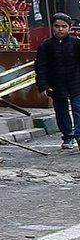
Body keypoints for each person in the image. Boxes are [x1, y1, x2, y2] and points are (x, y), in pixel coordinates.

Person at [35, 12, 80, 150]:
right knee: (61, 112)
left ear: (70, 27)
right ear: (52, 27)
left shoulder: (76, 44)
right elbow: (40, 67)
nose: (60, 29)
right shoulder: (46, 46)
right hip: (56, 85)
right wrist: (43, 86)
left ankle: (78, 136)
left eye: (64, 26)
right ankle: (68, 136)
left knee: (78, 109)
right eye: (57, 26)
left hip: (76, 83)